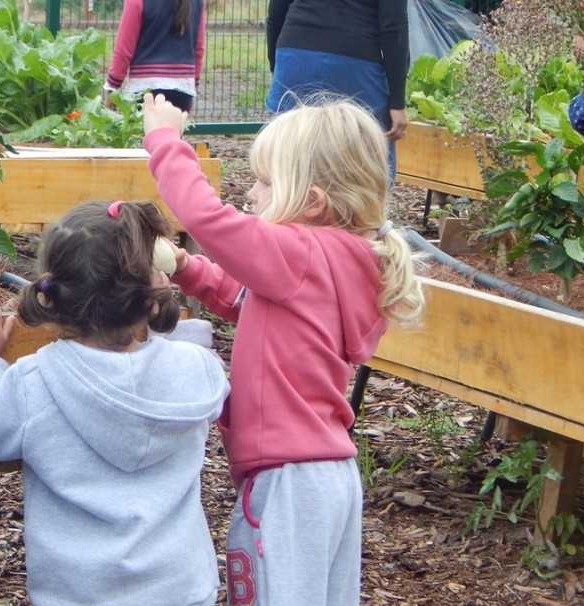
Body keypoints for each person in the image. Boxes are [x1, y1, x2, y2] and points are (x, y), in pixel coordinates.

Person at [142, 93, 425, 605]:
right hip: (328, 476)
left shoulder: (302, 250)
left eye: (265, 183)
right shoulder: (348, 257)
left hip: (288, 483)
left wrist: (165, 141)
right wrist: (188, 270)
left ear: (313, 200)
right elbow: (249, 299)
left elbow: (210, 219)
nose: (250, 195)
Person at [0, 200, 230, 605]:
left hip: (79, 592)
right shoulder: (196, 369)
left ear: (52, 293)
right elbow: (207, 377)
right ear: (149, 292)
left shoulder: (37, 379)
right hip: (180, 587)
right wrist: (169, 331)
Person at [265, 0, 409, 176]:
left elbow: (275, 15)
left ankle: (287, 200)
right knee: (369, 148)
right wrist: (397, 102)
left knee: (288, 152)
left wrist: (278, 66)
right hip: (353, 62)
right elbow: (394, 27)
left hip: (294, 54)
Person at [104, 0, 206, 112]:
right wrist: (192, 83)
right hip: (183, 89)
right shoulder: (198, 2)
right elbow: (199, 49)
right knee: (173, 130)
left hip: (145, 88)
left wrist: (112, 87)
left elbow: (124, 49)